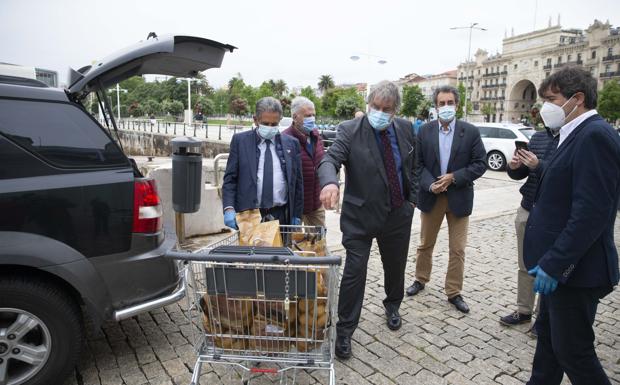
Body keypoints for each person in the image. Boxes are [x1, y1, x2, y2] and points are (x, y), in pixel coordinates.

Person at [524, 66, 620, 385]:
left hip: (576, 272)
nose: (544, 108)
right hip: (563, 271)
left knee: (574, 353)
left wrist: (554, 264)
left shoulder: (594, 135)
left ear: (576, 99)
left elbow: (591, 212)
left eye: (551, 99)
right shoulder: (573, 133)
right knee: (549, 344)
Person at [318, 81, 417, 359]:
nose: (380, 113)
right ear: (368, 103)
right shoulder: (350, 130)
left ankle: (393, 305)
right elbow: (330, 158)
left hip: (397, 214)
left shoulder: (407, 129)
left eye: (387, 109)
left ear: (395, 110)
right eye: (376, 107)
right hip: (360, 217)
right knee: (355, 271)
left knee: (395, 266)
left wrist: (413, 200)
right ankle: (345, 331)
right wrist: (330, 183)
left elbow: (415, 165)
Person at [405, 85, 486, 314]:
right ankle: (420, 279)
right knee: (425, 244)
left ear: (457, 105)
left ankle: (454, 292)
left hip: (459, 197)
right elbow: (417, 165)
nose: (446, 107)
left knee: (457, 249)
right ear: (436, 106)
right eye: (442, 103)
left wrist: (454, 178)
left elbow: (480, 163)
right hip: (432, 197)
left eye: (450, 103)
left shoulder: (470, 132)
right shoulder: (424, 131)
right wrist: (431, 184)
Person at [499, 126, 559, 329]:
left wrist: (539, 164)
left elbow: (565, 175)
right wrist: (515, 166)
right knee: (525, 263)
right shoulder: (539, 136)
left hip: (552, 212)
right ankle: (523, 310)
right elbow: (523, 174)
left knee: (548, 266)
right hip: (528, 207)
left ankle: (543, 318)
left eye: (552, 99)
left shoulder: (572, 137)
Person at [222, 97, 303, 228]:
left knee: (281, 249)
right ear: (256, 120)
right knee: (251, 249)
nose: (270, 128)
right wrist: (229, 208)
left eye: (274, 124)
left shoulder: (292, 144)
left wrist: (297, 214)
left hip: (281, 216)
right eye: (266, 123)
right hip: (249, 217)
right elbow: (230, 179)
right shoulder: (240, 142)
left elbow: (298, 183)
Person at [282, 97, 326, 227]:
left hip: (315, 204)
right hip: (294, 207)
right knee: (290, 244)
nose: (312, 119)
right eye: (308, 116)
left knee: (319, 243)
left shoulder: (316, 136)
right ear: (295, 117)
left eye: (313, 115)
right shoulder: (285, 139)